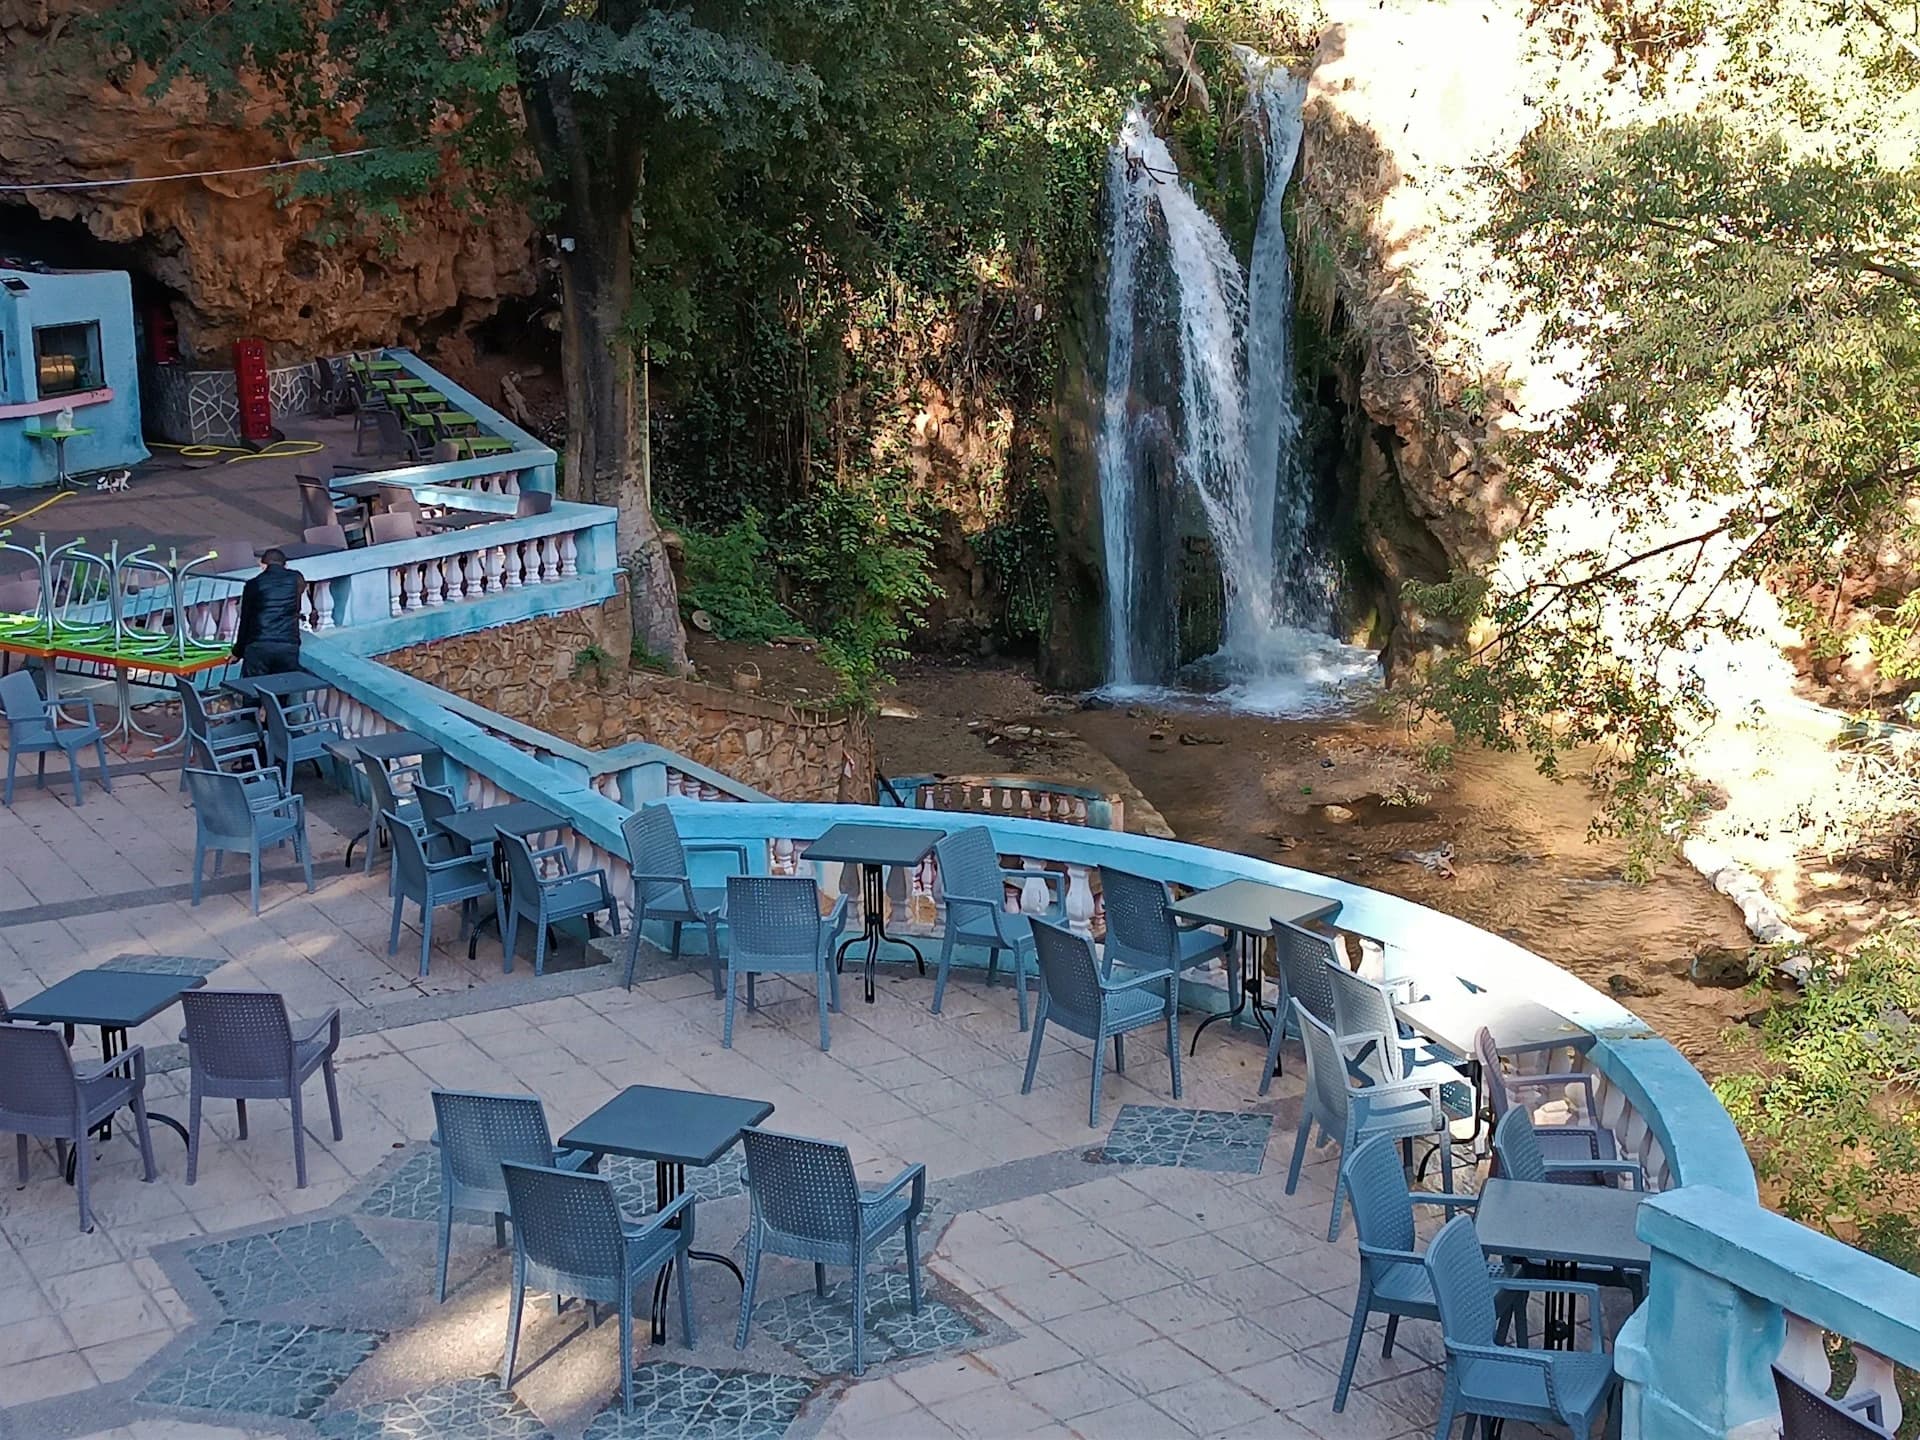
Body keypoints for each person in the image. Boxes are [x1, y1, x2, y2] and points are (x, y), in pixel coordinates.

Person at [233, 549, 303, 677]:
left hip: (259, 644)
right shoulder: (296, 578)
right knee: (284, 685)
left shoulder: (253, 584)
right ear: (285, 565)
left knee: (254, 686)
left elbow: (245, 620)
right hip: (288, 644)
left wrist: (237, 652)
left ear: (263, 565)